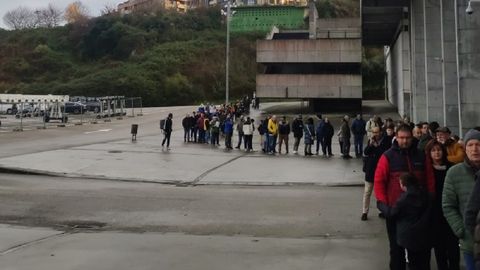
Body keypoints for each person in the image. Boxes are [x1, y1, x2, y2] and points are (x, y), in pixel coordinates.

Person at [375, 124, 435, 270]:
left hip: (418, 213)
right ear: (396, 137)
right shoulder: (387, 156)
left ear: (412, 137)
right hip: (396, 212)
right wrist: (386, 206)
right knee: (396, 251)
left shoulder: (421, 155)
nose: (405, 141)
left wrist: (430, 201)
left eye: (408, 137)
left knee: (419, 252)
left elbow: (430, 179)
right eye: (402, 138)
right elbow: (379, 182)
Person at [443, 129, 480, 270]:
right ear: (465, 148)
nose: (475, 149)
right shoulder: (454, 173)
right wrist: (461, 230)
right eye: (470, 145)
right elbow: (448, 205)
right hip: (469, 242)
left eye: (478, 144)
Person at [382, 173, 432, 270]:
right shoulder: (425, 194)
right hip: (424, 234)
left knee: (413, 261)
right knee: (424, 262)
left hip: (409, 236)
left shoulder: (404, 199)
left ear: (403, 185)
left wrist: (382, 206)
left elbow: (392, 213)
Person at [425, 140, 460, 269]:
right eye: (433, 150)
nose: (437, 153)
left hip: (452, 212)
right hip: (435, 213)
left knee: (453, 248)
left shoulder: (452, 168)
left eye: (439, 149)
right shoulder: (427, 170)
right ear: (429, 153)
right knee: (439, 248)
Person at [361, 126, 389, 221]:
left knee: (380, 192)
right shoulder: (371, 141)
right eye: (373, 132)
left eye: (376, 132)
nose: (375, 134)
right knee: (367, 192)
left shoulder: (385, 141)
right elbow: (366, 152)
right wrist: (371, 145)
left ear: (381, 132)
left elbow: (384, 153)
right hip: (370, 170)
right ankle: (365, 212)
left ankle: (382, 210)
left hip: (380, 170)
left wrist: (376, 147)